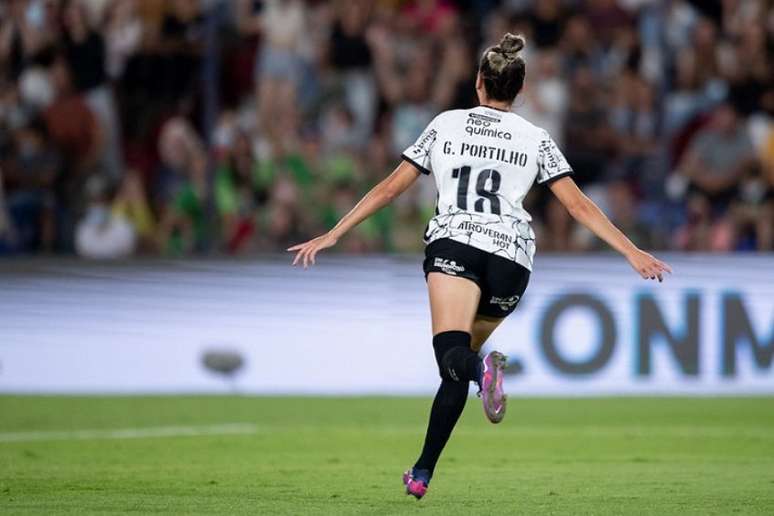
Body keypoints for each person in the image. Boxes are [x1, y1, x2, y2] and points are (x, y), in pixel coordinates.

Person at [288, 33, 671, 500]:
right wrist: (632, 251)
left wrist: (335, 232)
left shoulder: (446, 124)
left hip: (458, 246)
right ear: (520, 90)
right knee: (457, 366)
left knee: (454, 357)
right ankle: (423, 471)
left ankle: (482, 371)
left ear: (478, 83)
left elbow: (391, 188)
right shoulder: (536, 138)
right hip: (512, 260)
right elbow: (578, 206)